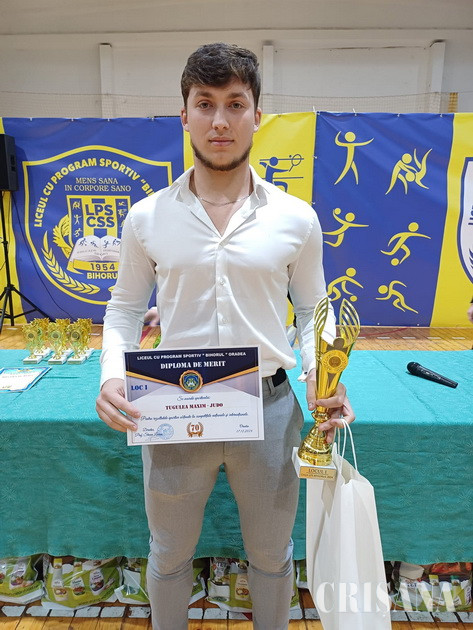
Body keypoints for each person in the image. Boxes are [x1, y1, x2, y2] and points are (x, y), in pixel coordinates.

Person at [96, 42, 354, 630]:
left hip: (269, 408)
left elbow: (313, 308)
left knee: (272, 557)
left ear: (257, 115)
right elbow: (124, 309)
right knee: (168, 557)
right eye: (205, 103)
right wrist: (111, 374)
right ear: (184, 114)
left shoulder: (296, 218)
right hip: (172, 404)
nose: (220, 120)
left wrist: (324, 370)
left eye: (235, 104)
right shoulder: (146, 217)